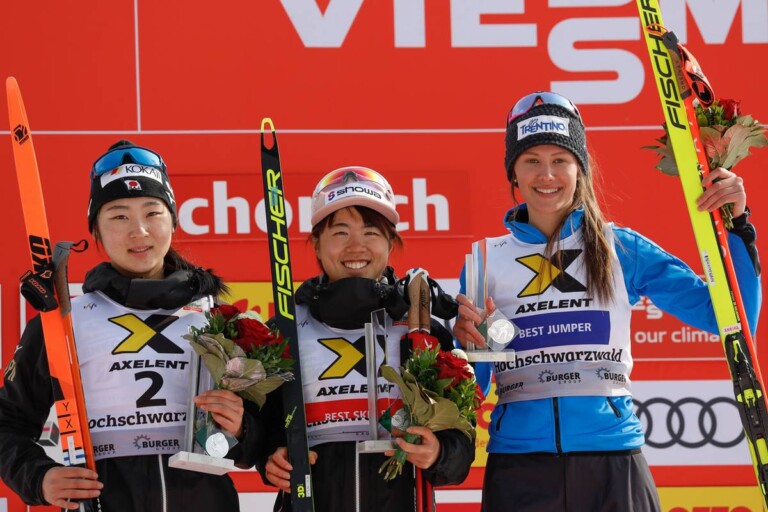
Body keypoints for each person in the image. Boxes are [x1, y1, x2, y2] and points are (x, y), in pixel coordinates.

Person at [452, 92, 761, 511]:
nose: (547, 174)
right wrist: (469, 353)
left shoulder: (619, 247)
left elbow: (727, 318)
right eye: (531, 161)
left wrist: (737, 223)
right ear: (514, 176)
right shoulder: (484, 259)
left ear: (580, 169)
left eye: (560, 159)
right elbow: (481, 379)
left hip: (611, 461)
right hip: (519, 465)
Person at [0, 141, 262, 511]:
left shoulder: (219, 321)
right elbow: (7, 423)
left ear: (173, 220)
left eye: (153, 213)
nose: (139, 231)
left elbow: (264, 440)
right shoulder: (64, 323)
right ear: (95, 233)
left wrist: (243, 429)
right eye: (119, 216)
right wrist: (39, 477)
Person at [258, 166, 474, 511]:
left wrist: (439, 452)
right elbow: (261, 428)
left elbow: (462, 441)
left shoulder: (423, 330)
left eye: (371, 232)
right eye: (340, 232)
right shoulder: (283, 329)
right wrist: (271, 458)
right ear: (316, 244)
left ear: (391, 242)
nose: (356, 246)